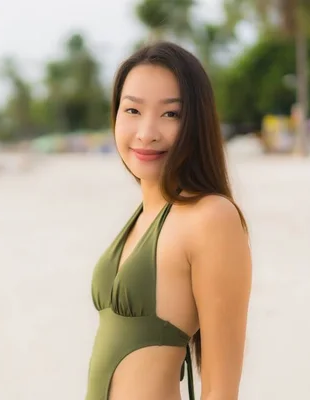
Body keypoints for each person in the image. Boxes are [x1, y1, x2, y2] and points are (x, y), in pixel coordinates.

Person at [86, 41, 252, 400]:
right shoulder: (144, 215)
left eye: (170, 114)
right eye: (132, 110)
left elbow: (222, 391)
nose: (146, 132)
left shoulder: (211, 218)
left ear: (196, 123)